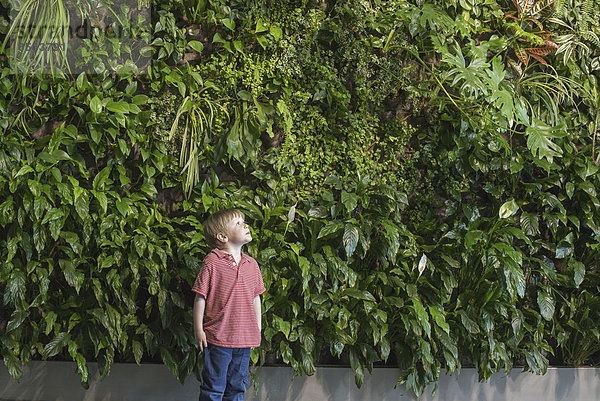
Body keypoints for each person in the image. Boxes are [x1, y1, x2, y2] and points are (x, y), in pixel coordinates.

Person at [192, 208, 265, 401]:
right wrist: (199, 329)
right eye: (238, 223)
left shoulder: (252, 264)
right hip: (218, 337)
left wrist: (257, 327)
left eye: (244, 221)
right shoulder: (212, 262)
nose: (245, 225)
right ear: (222, 236)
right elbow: (200, 297)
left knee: (237, 387)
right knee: (213, 387)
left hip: (245, 339)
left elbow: (256, 298)